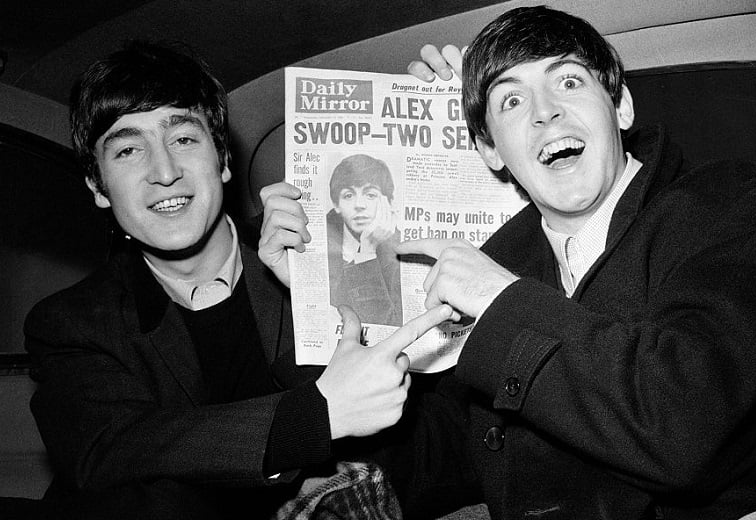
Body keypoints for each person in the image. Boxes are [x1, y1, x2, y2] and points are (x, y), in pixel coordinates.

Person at [263, 6, 756, 519]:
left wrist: (500, 301)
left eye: (568, 82)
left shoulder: (740, 203)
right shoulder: (506, 259)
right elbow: (439, 459)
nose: (545, 112)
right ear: (491, 151)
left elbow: (683, 427)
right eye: (511, 102)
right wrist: (323, 295)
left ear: (621, 107)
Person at [23, 40, 451, 520]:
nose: (164, 172)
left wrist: (460, 117)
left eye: (183, 139)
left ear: (223, 160)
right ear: (98, 187)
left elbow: (435, 409)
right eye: (127, 150)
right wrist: (313, 419)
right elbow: (110, 450)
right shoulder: (71, 323)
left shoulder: (311, 262)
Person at [326, 154, 402, 327]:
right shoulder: (318, 240)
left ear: (387, 202)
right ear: (336, 204)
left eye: (370, 194)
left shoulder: (403, 250)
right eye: (348, 195)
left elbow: (388, 324)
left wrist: (366, 253)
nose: (359, 204)